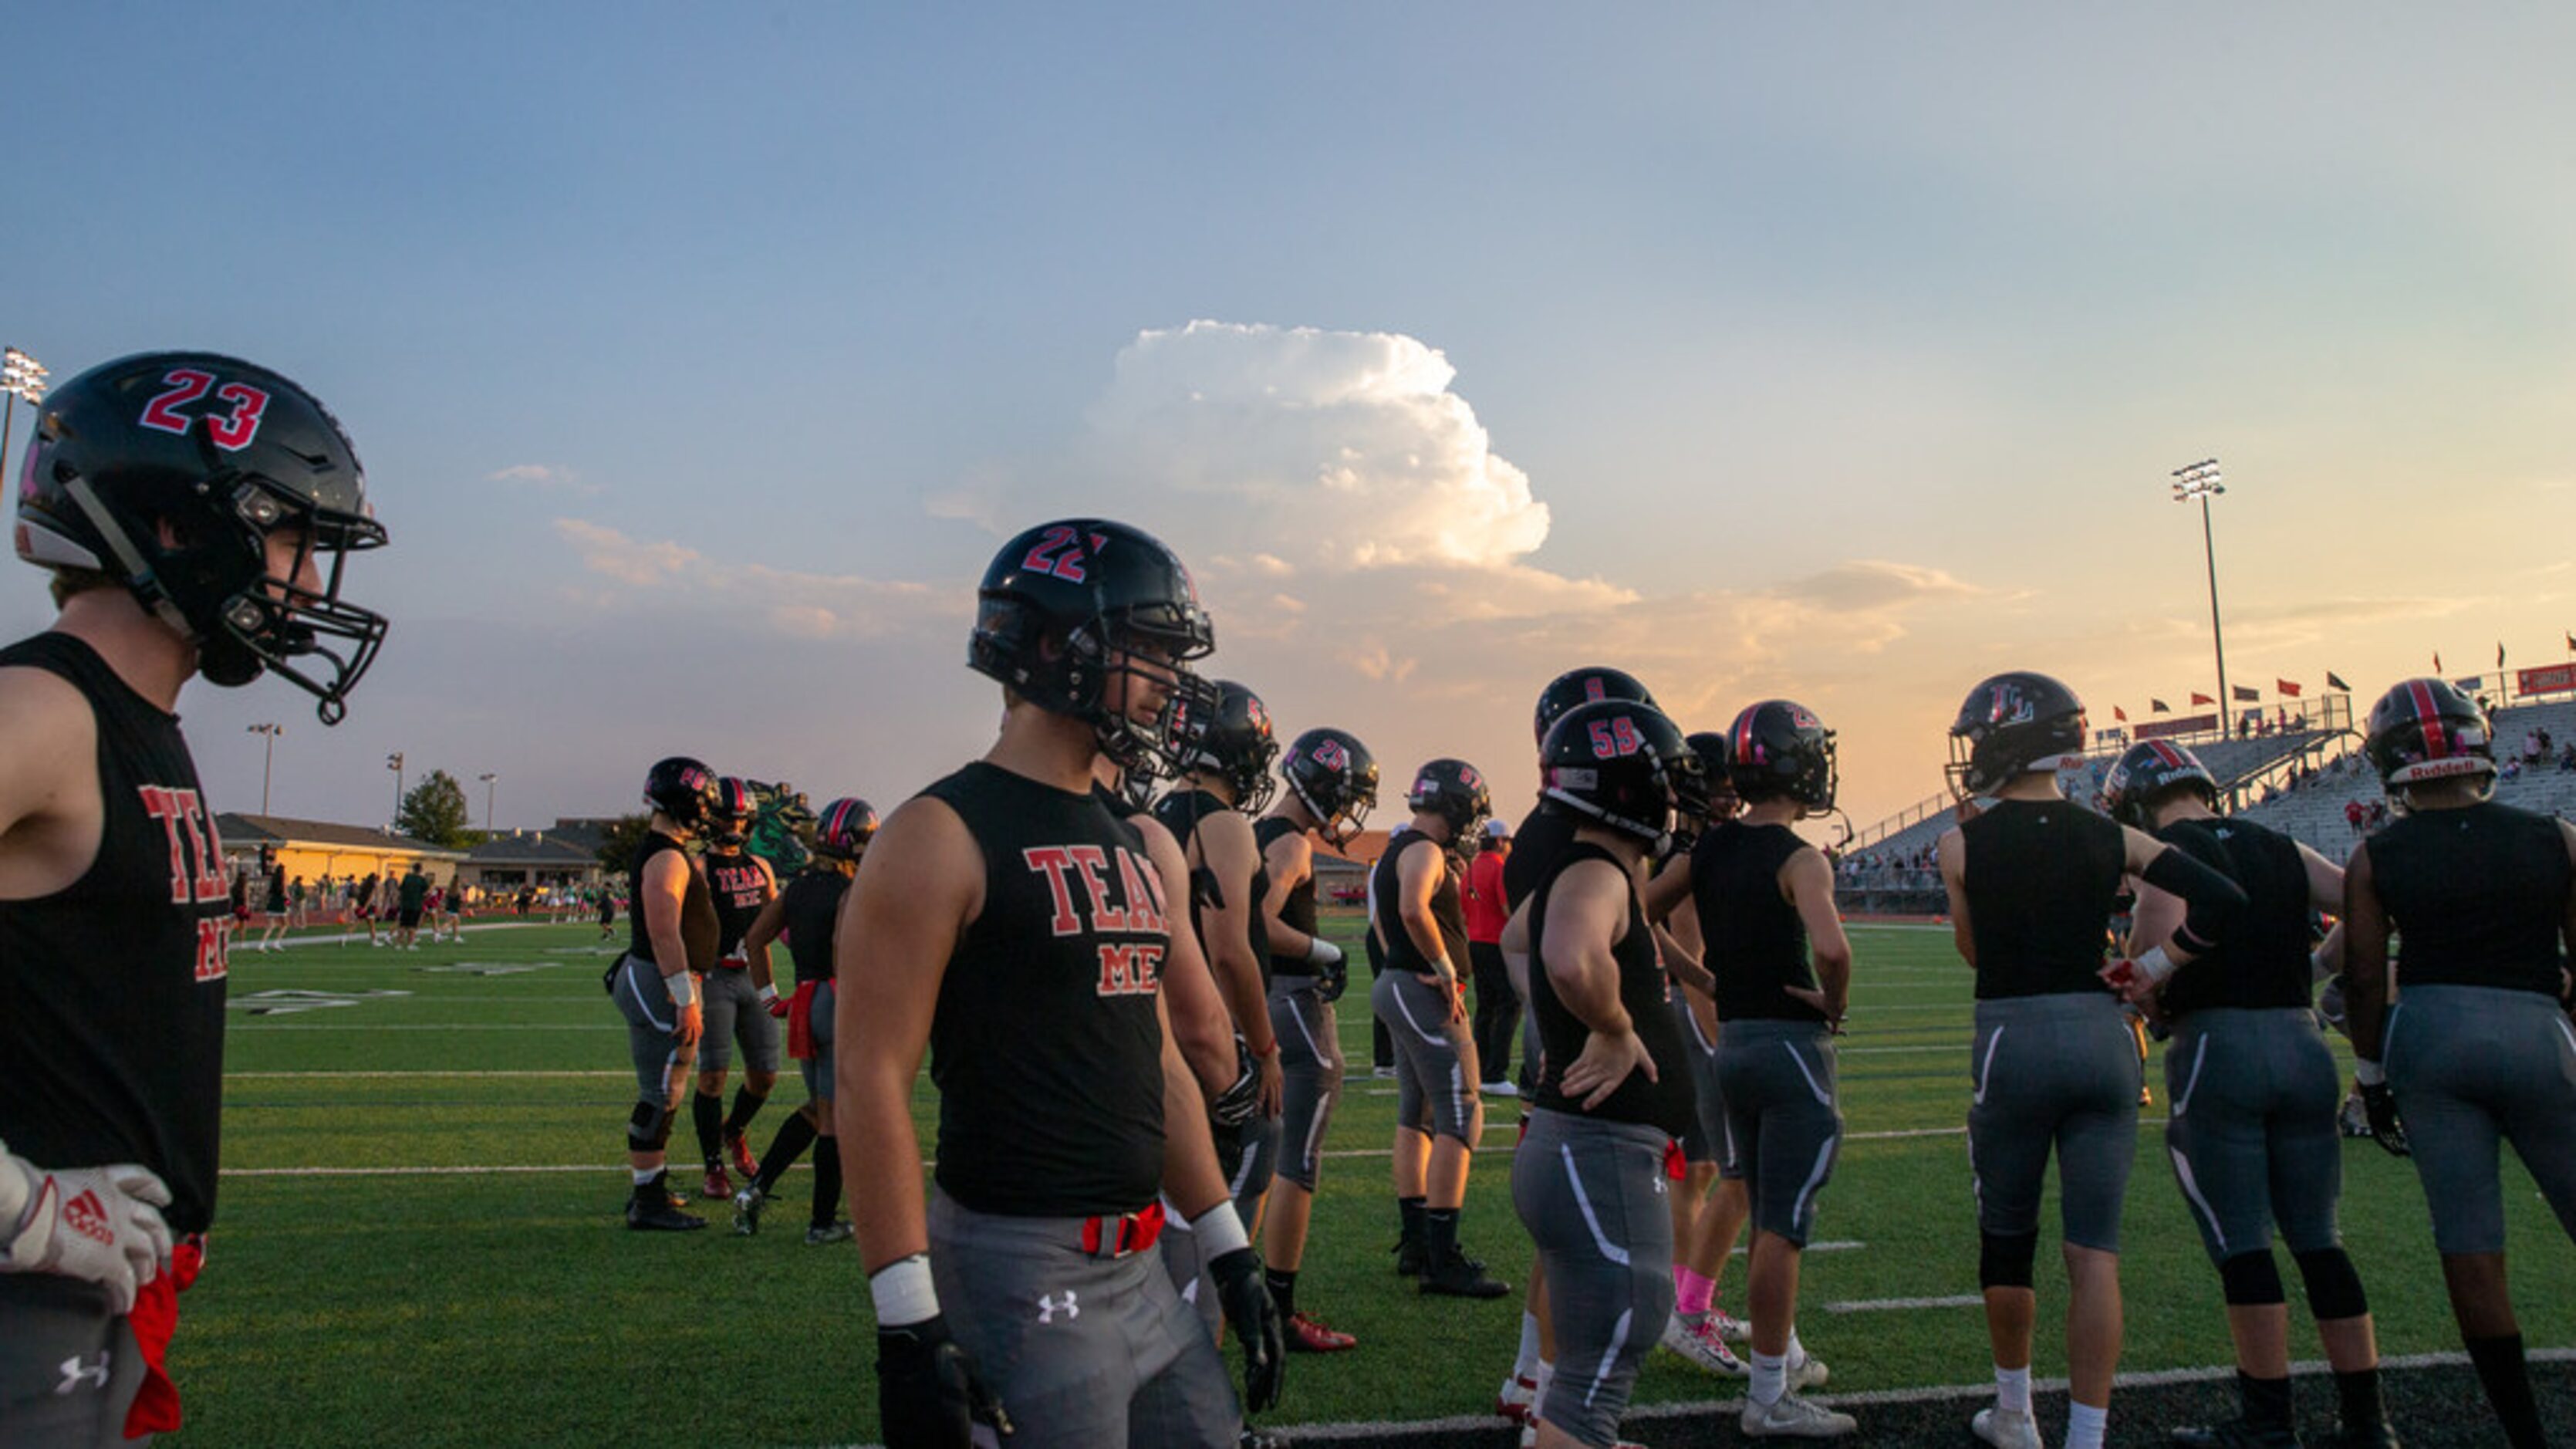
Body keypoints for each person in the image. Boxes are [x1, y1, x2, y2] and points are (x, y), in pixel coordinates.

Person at [0, 350, 390, 1443]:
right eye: (289, 538)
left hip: (94, 1289)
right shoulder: (42, 708)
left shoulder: (133, 717)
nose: (307, 585)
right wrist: (21, 1204)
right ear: (176, 525)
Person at [837, 518, 1281, 1449]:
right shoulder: (938, 833)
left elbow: (1155, 1054)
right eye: (1148, 650)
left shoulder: (1132, 837)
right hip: (1018, 1264)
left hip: (1143, 1268)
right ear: (1051, 645)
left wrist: (1226, 1241)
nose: (1169, 681)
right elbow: (870, 1076)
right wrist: (905, 1321)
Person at [1937, 671, 2247, 1449]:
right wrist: (2153, 969)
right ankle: (2087, 1434)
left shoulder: (1959, 841)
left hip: (2014, 1039)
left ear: (2001, 742)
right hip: (2106, 1041)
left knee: (2008, 1240)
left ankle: (2015, 1414)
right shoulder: (2111, 835)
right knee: (2094, 1249)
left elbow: (1976, 954)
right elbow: (2224, 900)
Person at [2098, 740, 2398, 1449]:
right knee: (2319, 1238)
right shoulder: (2281, 846)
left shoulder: (2168, 860)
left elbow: (2153, 968)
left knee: (2242, 1241)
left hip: (2218, 1051)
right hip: (2300, 1045)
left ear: (2136, 805)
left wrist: (2136, 992)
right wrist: (2314, 963)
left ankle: (2268, 1418)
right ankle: (2365, 1420)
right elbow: (2363, 906)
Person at [2342, 679, 2576, 1449]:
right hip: (2539, 1031)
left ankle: (2525, 1437)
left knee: (2471, 1241)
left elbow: (2368, 981)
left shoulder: (2376, 856)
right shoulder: (2557, 836)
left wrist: (2372, 1081)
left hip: (2433, 1039)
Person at [1506, 697, 1704, 1449]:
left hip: (1578, 1149)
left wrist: (1553, 1018)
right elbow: (1563, 954)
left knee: (1600, 1353)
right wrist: (1611, 1026)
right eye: (1667, 780)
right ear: (1627, 787)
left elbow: (1524, 942)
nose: (1677, 797)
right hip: (1599, 1153)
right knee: (1613, 1343)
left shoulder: (1582, 865)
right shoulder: (1598, 871)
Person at [1698, 701, 1854, 1437]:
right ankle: (1767, 1394)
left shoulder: (1711, 847)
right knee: (1781, 1227)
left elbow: (1637, 911)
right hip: (1790, 1050)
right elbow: (1832, 950)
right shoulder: (1799, 857)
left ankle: (1773, 1372)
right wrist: (1834, 1004)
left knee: (1762, 1215)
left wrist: (1702, 980)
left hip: (1731, 1044)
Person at [1252, 725, 1376, 1355]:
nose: (1348, 810)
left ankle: (1239, 1297)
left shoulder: (1251, 834)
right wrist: (1323, 949)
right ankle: (1277, 1306)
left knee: (1255, 1158)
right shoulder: (1291, 846)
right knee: (1297, 1161)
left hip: (1258, 1006)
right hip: (1293, 1005)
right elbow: (1258, 924)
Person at [1372, 756, 1509, 1299]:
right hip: (1420, 990)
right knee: (1462, 1114)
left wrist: (1400, 962)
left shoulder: (1396, 849)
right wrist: (1442, 968)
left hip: (1399, 983)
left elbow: (1384, 921)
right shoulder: (1425, 850)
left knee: (1418, 1113)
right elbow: (1411, 910)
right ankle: (1441, 1260)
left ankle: (1416, 1243)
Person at [731, 795, 876, 1244]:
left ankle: (756, 1188)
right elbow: (840, 947)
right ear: (853, 844)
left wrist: (771, 997)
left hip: (806, 1002)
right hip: (837, 1001)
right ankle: (821, 1223)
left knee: (818, 1110)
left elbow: (754, 940)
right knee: (835, 1119)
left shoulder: (797, 889)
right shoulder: (852, 892)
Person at [606, 756, 721, 1231]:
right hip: (660, 980)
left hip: (657, 977)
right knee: (661, 1092)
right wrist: (685, 995)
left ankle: (650, 1187)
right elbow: (664, 930)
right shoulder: (667, 856)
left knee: (664, 1089)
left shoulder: (665, 849)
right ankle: (646, 1199)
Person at [691, 777, 782, 1201]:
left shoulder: (760, 866)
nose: (736, 825)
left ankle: (735, 1132)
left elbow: (777, 924)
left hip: (752, 976)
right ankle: (713, 1165)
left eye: (742, 818)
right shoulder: (698, 868)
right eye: (729, 817)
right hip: (712, 978)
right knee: (712, 1076)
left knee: (764, 1075)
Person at [1465, 818, 1518, 1094]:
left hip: (1475, 942)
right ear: (1500, 841)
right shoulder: (1500, 867)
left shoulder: (1472, 868)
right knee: (1509, 1004)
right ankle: (1496, 1073)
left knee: (1485, 1008)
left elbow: (1465, 908)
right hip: (1498, 943)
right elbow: (1508, 908)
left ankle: (1482, 1068)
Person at [393, 863, 428, 950]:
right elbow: (426, 892)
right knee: (412, 926)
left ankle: (398, 943)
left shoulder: (407, 878)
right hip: (415, 905)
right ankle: (410, 944)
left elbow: (400, 889)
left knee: (402, 925)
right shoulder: (422, 880)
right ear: (420, 870)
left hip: (405, 904)